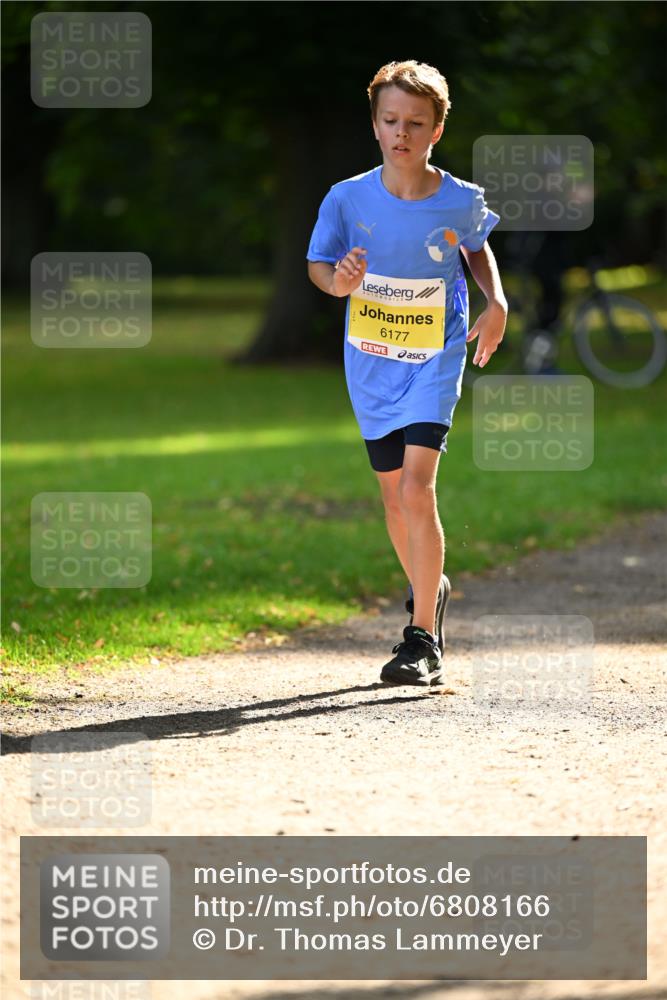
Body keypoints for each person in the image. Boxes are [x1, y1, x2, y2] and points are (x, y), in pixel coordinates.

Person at [306, 60, 507, 686]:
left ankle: (421, 638)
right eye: (391, 120)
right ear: (375, 125)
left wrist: (495, 302)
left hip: (435, 354)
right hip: (370, 359)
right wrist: (337, 281)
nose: (402, 133)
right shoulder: (346, 198)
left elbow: (475, 249)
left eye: (416, 123)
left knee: (418, 488)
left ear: (436, 131)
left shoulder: (460, 199)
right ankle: (430, 585)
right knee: (392, 496)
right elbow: (318, 264)